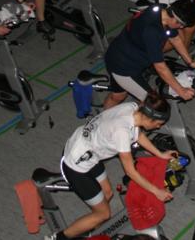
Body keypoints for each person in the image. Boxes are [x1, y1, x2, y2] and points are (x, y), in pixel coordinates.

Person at [48, 92, 177, 240]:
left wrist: (160, 154)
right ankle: (59, 237)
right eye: (159, 123)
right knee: (104, 214)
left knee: (108, 193)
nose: (159, 126)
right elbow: (130, 171)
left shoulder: (133, 108)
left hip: (88, 149)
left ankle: (94, 228)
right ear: (150, 118)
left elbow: (138, 134)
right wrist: (156, 191)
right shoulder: (121, 132)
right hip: (76, 165)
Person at [102, 0, 195, 110]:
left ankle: (102, 119)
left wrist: (190, 62)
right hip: (124, 68)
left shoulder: (161, 10)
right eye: (182, 25)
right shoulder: (152, 31)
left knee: (118, 96)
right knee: (154, 104)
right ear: (174, 19)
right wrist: (181, 91)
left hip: (117, 53)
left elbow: (175, 38)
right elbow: (160, 67)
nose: (181, 28)